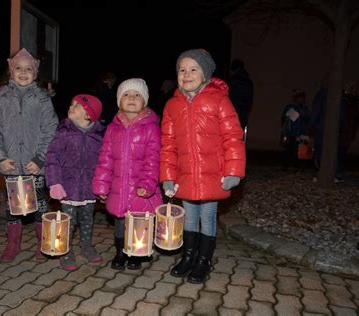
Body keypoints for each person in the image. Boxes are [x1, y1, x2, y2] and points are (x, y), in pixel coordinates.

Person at [160, 49, 246, 284]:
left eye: (193, 69)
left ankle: (203, 261)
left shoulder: (219, 100)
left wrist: (233, 171)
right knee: (189, 217)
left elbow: (233, 137)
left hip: (213, 174)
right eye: (182, 70)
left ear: (205, 73)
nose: (186, 74)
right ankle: (188, 257)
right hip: (186, 174)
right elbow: (167, 145)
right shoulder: (171, 106)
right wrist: (167, 176)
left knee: (207, 217)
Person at [0, 48, 59, 263]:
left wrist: (39, 159)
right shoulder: (0, 97)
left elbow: (51, 129)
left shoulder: (42, 99)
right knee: (13, 206)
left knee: (39, 205)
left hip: (32, 165)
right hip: (10, 164)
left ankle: (42, 242)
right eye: (18, 68)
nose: (23, 73)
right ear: (11, 71)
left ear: (35, 74)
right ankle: (12, 243)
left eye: (28, 69)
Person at [92, 78, 163, 270]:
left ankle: (136, 253)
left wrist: (147, 184)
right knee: (119, 220)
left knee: (139, 222)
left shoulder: (151, 127)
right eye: (126, 95)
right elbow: (105, 158)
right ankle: (120, 251)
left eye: (137, 95)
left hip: (140, 187)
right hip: (118, 187)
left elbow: (153, 159)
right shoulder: (112, 128)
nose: (132, 98)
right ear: (119, 101)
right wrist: (101, 185)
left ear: (145, 101)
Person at [45, 94, 105, 271]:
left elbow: (104, 163)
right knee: (68, 222)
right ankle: (65, 250)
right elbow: (52, 158)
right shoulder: (63, 133)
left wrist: (103, 185)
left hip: (89, 188)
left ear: (89, 114)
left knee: (87, 219)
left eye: (77, 105)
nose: (72, 106)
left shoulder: (99, 137)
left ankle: (86, 245)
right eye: (71, 103)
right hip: (68, 188)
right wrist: (54, 182)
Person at [281, 89, 310, 172]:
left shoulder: (305, 108)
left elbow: (308, 119)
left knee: (301, 152)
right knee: (288, 150)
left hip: (301, 133)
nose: (302, 99)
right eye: (300, 97)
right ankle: (285, 166)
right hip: (291, 133)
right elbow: (284, 119)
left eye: (303, 98)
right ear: (296, 98)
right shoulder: (290, 107)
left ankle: (297, 167)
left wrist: (304, 115)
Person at [228, 58, 254, 130]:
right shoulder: (249, 82)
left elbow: (230, 98)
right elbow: (250, 101)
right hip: (243, 115)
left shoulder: (234, 81)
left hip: (233, 114)